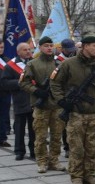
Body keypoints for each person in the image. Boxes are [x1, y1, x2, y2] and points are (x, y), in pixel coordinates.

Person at [51, 35, 95, 184]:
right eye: (94, 46)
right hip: (76, 113)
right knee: (76, 147)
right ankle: (76, 176)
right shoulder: (68, 64)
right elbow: (55, 83)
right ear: (84, 46)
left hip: (94, 113)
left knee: (92, 147)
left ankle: (89, 175)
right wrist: (61, 100)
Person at [20, 36, 65, 173]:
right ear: (40, 47)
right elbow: (23, 83)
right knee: (40, 136)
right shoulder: (32, 64)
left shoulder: (59, 64)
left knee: (57, 136)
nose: (49, 48)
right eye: (46, 45)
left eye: (51, 45)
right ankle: (41, 161)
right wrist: (36, 91)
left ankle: (54, 160)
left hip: (56, 105)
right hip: (41, 106)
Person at [3, 42, 35, 161]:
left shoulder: (34, 63)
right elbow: (5, 83)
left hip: (33, 100)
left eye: (29, 49)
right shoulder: (11, 65)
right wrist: (21, 83)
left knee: (34, 129)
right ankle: (19, 151)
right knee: (19, 128)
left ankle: (34, 150)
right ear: (18, 52)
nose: (28, 51)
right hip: (20, 100)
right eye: (25, 50)